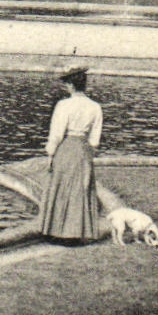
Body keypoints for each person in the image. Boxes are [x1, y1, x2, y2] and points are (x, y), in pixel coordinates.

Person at [40, 66, 103, 242]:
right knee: (80, 190)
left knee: (61, 187)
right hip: (84, 150)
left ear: (71, 85)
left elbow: (57, 133)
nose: (66, 87)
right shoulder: (95, 107)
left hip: (66, 147)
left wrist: (51, 154)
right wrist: (88, 153)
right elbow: (95, 139)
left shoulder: (63, 105)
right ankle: (77, 233)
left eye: (67, 83)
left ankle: (56, 231)